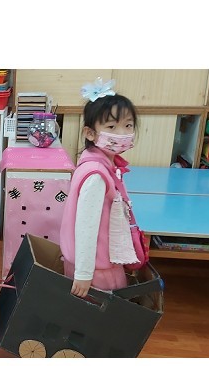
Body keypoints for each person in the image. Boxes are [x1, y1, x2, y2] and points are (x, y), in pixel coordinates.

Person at [59, 79, 141, 298]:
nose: (122, 133)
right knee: (101, 317)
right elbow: (86, 228)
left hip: (94, 265)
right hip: (96, 271)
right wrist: (84, 274)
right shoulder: (96, 174)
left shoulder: (98, 163)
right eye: (111, 127)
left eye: (128, 125)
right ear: (90, 133)